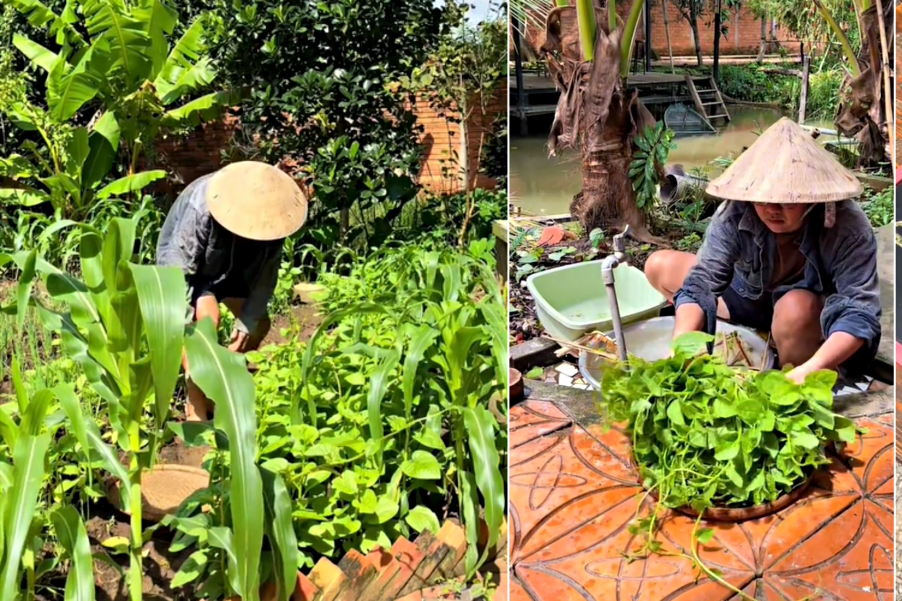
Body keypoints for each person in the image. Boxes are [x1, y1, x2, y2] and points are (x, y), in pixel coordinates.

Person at [645, 117, 881, 384]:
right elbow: (702, 282)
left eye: (785, 201)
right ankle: (750, 332)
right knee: (657, 265)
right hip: (746, 296)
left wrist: (812, 368)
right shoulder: (735, 211)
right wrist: (680, 348)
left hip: (802, 313)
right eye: (762, 199)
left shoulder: (847, 225)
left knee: (796, 310)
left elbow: (859, 311)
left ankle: (791, 366)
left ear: (813, 198)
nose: (771, 209)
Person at [156, 161, 309, 420]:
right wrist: (183, 326)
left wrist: (244, 328)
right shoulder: (202, 207)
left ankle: (225, 380)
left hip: (238, 269)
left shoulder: (274, 224)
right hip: (196, 270)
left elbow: (264, 281)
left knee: (258, 325)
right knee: (205, 324)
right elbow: (177, 272)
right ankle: (196, 402)